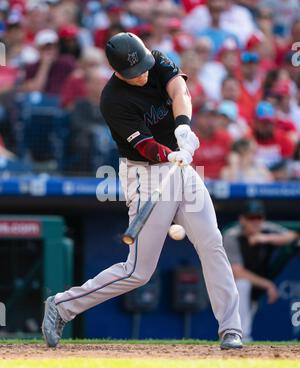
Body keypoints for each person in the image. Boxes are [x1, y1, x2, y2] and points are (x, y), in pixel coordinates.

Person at [42, 32, 243, 350]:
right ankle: (62, 306)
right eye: (136, 73)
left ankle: (231, 329)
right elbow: (146, 147)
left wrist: (183, 126)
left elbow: (180, 89)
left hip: (181, 166)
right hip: (145, 173)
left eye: (146, 67)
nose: (145, 75)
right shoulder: (113, 100)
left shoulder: (157, 59)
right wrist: (170, 153)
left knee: (211, 242)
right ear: (119, 71)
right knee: (138, 271)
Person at [223, 200, 299, 341]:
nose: (256, 222)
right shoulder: (232, 236)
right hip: (224, 289)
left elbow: (293, 236)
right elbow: (237, 272)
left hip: (254, 287)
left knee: (245, 312)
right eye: (251, 218)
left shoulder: (267, 229)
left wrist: (265, 238)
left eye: (259, 217)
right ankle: (242, 336)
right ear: (242, 219)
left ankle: (237, 339)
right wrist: (268, 284)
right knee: (242, 284)